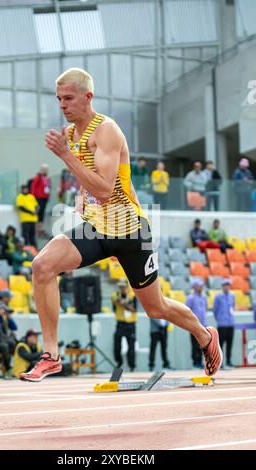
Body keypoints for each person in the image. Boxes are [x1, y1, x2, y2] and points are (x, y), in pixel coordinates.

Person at [20, 67, 222, 382]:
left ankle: (205, 335)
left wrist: (66, 158)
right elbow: (91, 181)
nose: (62, 105)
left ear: (88, 97)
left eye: (69, 98)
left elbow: (104, 186)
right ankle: (52, 355)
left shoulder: (108, 131)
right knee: (42, 266)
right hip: (99, 229)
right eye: (59, 99)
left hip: (130, 231)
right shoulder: (72, 134)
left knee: (155, 308)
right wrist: (81, 198)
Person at [112, 280, 137, 372]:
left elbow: (134, 309)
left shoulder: (133, 295)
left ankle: (132, 366)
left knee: (131, 346)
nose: (122, 288)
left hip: (131, 324)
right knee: (116, 344)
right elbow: (118, 302)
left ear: (127, 286)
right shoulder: (115, 294)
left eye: (124, 286)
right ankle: (119, 362)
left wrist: (125, 302)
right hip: (120, 323)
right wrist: (126, 303)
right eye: (120, 286)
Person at [186, 279, 208, 369]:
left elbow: (205, 310)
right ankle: (195, 362)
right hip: (194, 326)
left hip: (203, 324)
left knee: (202, 344)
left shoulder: (204, 297)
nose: (201, 287)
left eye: (201, 285)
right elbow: (187, 312)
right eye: (199, 285)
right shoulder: (190, 298)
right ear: (194, 286)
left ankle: (200, 362)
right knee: (195, 344)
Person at [213, 279, 235, 369]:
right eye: (225, 285)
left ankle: (229, 361)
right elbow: (215, 310)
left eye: (228, 285)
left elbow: (233, 307)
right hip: (222, 324)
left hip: (230, 323)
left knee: (230, 343)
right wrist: (219, 319)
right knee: (221, 344)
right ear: (222, 287)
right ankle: (220, 363)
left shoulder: (232, 296)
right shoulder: (218, 297)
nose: (227, 287)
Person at [30, 164, 51, 236]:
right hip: (38, 198)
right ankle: (37, 229)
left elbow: (48, 187)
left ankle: (40, 228)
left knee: (42, 213)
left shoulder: (47, 178)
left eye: (46, 169)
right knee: (38, 213)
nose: (46, 171)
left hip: (45, 198)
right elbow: (33, 187)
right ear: (41, 170)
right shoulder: (38, 177)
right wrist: (33, 198)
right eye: (44, 169)